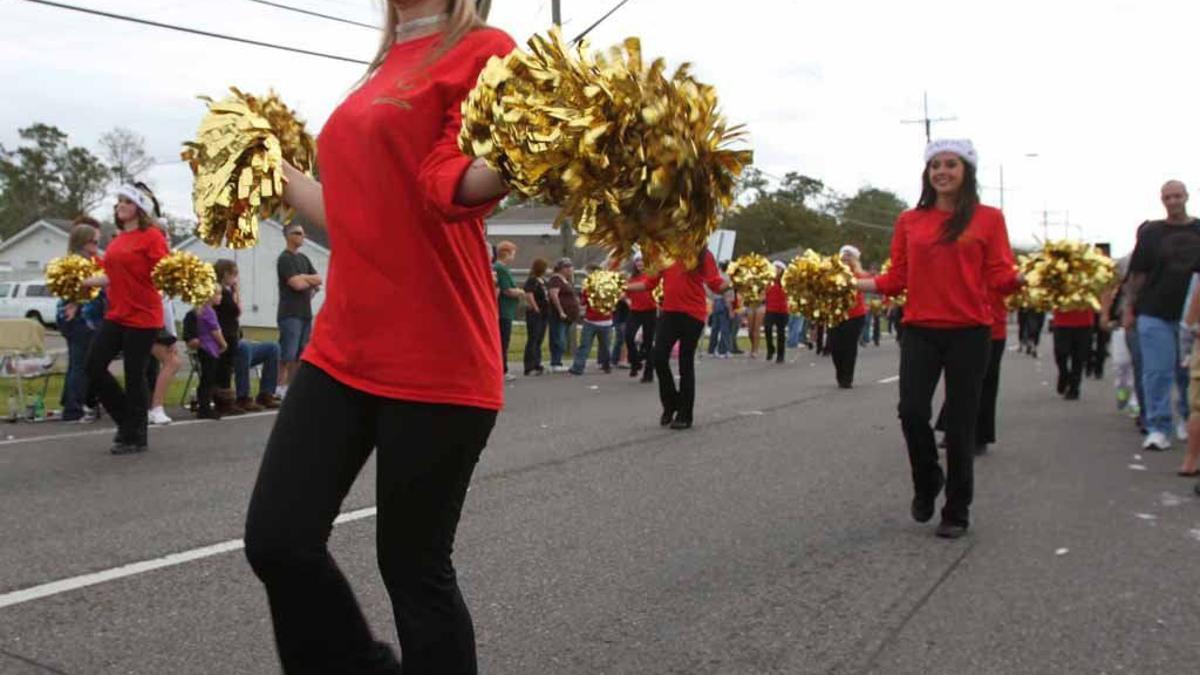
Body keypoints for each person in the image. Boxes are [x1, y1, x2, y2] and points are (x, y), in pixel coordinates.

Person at [242, 4, 515, 672]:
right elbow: (351, 212)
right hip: (342, 348)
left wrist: (515, 163)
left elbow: (452, 184)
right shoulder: (381, 65)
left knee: (413, 568)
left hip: (437, 352)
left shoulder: (484, 48)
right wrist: (266, 164)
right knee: (278, 539)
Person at [858, 139, 1020, 539]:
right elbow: (897, 278)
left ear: (966, 171)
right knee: (912, 412)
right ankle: (928, 479)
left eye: (951, 164)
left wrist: (1024, 279)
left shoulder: (989, 218)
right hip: (920, 329)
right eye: (935, 166)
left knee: (961, 425)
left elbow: (1000, 273)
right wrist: (853, 283)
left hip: (970, 331)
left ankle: (956, 509)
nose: (942, 171)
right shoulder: (910, 220)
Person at [84, 183, 170, 454]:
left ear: (140, 209)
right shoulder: (118, 239)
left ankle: (136, 436)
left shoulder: (152, 236)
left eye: (128, 202)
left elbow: (165, 271)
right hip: (117, 313)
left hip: (143, 316)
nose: (121, 205)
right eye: (120, 201)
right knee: (93, 366)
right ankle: (127, 421)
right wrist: (86, 281)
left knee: (135, 375)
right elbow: (112, 276)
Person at [1122, 180, 1200, 450]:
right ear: (1162, 200)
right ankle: (1158, 427)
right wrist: (1129, 309)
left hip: (1192, 317)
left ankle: (1188, 422)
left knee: (1189, 374)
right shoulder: (1152, 232)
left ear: (1187, 197)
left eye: (1177, 196)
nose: (1173, 201)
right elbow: (1137, 275)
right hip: (1154, 313)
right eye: (1167, 197)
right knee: (1156, 373)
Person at [631, 248, 728, 430]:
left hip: (693, 314)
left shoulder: (701, 253)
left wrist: (734, 283)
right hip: (670, 313)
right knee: (658, 356)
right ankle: (671, 403)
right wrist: (622, 286)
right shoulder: (664, 253)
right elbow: (649, 282)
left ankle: (685, 415)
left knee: (685, 361)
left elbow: (715, 283)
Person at [56, 224, 104, 422]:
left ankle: (71, 402)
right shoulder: (80, 264)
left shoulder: (82, 261)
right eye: (93, 241)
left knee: (77, 363)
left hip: (81, 318)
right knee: (82, 364)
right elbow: (82, 289)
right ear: (83, 242)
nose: (97, 245)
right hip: (83, 319)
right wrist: (76, 302)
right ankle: (74, 408)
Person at [276, 222, 322, 399]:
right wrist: (304, 280)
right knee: (287, 352)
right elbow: (295, 284)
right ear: (289, 236)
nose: (302, 236)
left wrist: (304, 277)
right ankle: (280, 386)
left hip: (305, 313)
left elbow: (318, 279)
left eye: (303, 233)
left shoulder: (304, 259)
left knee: (300, 354)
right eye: (298, 233)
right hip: (290, 313)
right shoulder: (285, 258)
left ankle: (293, 387)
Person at [829, 245, 869, 388]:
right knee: (834, 346)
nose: (845, 258)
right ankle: (840, 373)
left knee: (849, 347)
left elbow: (866, 279)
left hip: (855, 315)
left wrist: (857, 268)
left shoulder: (858, 273)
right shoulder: (832, 272)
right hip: (835, 315)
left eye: (849, 255)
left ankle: (847, 378)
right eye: (843, 255)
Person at [569, 265, 613, 375]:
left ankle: (606, 365)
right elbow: (583, 301)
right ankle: (578, 367)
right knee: (588, 345)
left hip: (604, 320)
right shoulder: (588, 287)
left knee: (603, 347)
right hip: (591, 320)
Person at [191, 289, 228, 420]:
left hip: (205, 348)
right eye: (218, 294)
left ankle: (204, 406)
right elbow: (215, 330)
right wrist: (223, 344)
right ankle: (204, 408)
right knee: (208, 379)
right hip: (210, 348)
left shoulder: (203, 310)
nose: (220, 297)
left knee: (207, 378)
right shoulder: (209, 311)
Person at [625, 255, 658, 381]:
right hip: (635, 311)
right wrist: (627, 300)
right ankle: (635, 362)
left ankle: (648, 374)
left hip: (650, 311)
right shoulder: (632, 278)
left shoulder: (652, 275)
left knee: (648, 343)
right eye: (637, 260)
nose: (639, 263)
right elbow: (626, 294)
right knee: (628, 337)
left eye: (642, 260)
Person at [494, 240, 521, 382]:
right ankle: (502, 370)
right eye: (513, 254)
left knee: (503, 341)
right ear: (506, 254)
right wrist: (520, 292)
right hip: (504, 311)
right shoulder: (501, 268)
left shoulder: (501, 268)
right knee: (503, 341)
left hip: (506, 310)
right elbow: (507, 290)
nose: (513, 257)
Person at [546, 257, 580, 373]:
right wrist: (560, 311)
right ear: (561, 268)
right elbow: (553, 295)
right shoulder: (556, 280)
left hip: (569, 315)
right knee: (558, 338)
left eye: (570, 267)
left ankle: (558, 361)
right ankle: (555, 362)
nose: (570, 269)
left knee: (563, 338)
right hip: (559, 315)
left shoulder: (567, 280)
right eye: (567, 267)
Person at [1052, 308, 1093, 400]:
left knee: (1079, 357)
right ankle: (1064, 375)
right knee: (1060, 353)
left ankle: (1074, 388)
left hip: (1084, 321)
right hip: (1062, 320)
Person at [522, 257, 549, 376]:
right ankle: (529, 366)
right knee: (533, 338)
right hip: (535, 313)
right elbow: (529, 294)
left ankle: (537, 363)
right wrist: (535, 307)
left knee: (539, 339)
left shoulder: (543, 280)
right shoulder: (532, 280)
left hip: (544, 312)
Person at [763, 261, 789, 364]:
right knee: (767, 328)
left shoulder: (786, 281)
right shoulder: (768, 280)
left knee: (781, 333)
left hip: (782, 310)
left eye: (779, 268)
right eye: (775, 268)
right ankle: (770, 348)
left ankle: (780, 355)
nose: (776, 270)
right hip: (770, 309)